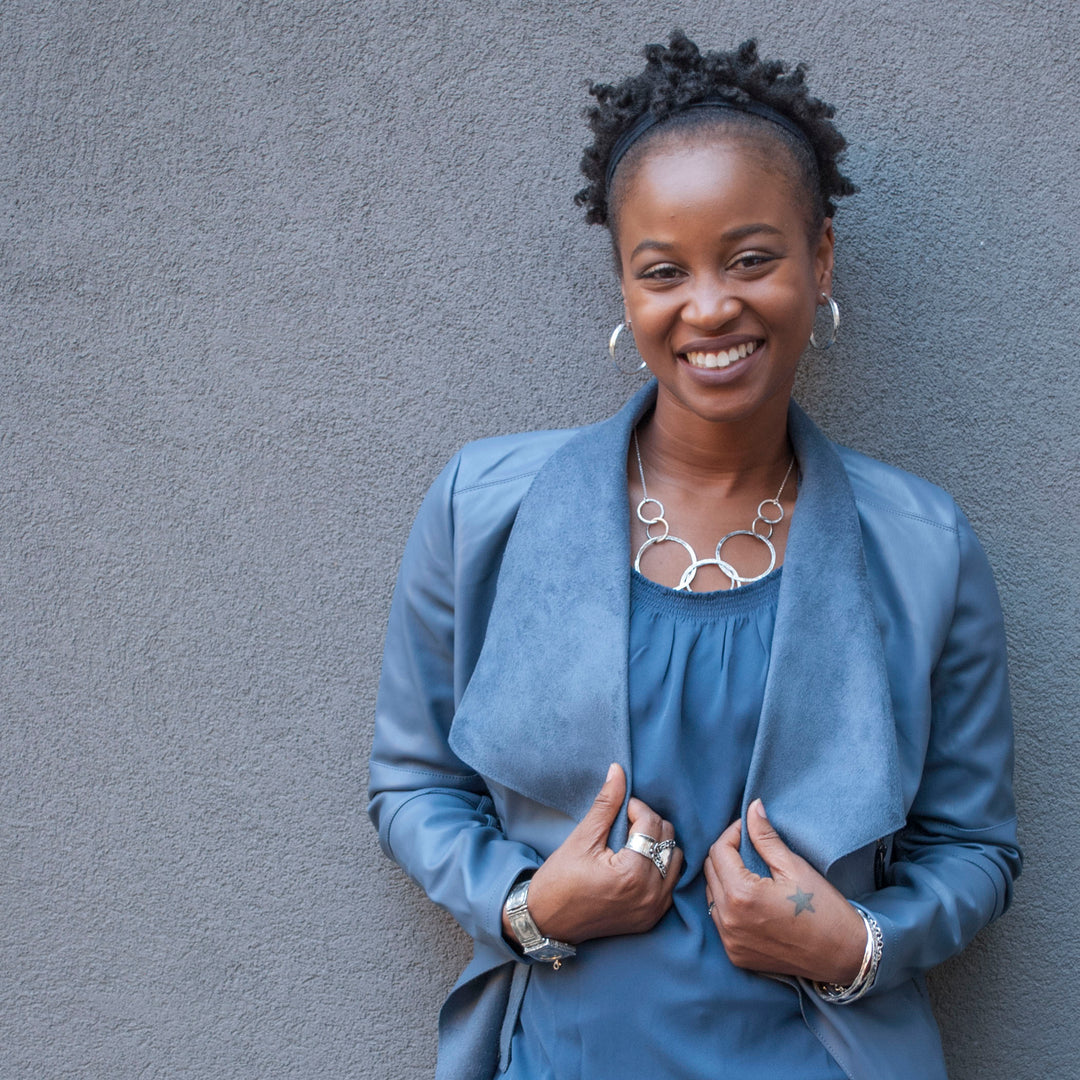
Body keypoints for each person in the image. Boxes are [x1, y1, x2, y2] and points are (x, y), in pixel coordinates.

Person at [368, 33, 1020, 1080]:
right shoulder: (481, 509)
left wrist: (855, 947)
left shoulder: (923, 548)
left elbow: (974, 846)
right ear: (625, 290)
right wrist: (527, 906)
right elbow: (411, 783)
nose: (709, 306)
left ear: (822, 259)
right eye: (663, 270)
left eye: (752, 257)